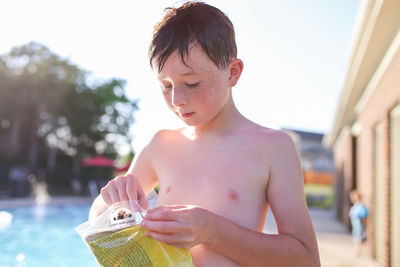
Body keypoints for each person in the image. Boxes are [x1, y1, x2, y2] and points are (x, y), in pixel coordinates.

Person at [90, 2, 320, 266]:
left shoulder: (273, 148)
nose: (177, 99)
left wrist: (211, 230)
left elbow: (307, 259)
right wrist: (114, 202)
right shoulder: (162, 145)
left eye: (191, 83)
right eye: (165, 85)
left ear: (232, 72)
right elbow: (97, 214)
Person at [349, 190, 368, 257]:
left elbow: (364, 218)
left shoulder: (361, 207)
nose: (352, 199)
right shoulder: (354, 207)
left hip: (359, 226)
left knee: (360, 239)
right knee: (358, 239)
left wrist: (363, 226)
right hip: (355, 226)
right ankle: (359, 251)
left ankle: (359, 252)